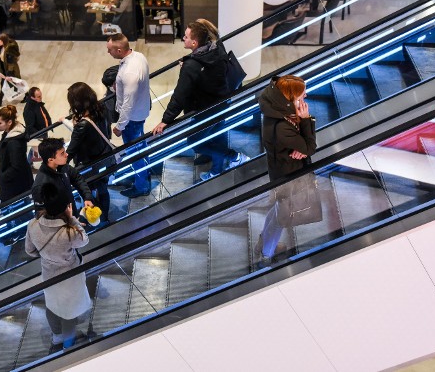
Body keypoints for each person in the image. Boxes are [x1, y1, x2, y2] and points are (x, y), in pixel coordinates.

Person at [152, 20, 248, 180]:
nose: (183, 38)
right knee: (218, 134)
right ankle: (217, 169)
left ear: (195, 42)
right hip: (223, 100)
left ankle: (235, 157)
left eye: (186, 36)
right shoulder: (217, 47)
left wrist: (165, 120)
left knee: (194, 141)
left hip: (206, 109)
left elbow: (180, 95)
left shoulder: (192, 66)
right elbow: (209, 71)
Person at [255, 75, 317, 267]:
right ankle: (265, 254)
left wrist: (302, 145)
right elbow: (310, 147)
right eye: (301, 94)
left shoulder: (276, 111)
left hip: (280, 171)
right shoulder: (282, 127)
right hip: (288, 177)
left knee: (277, 211)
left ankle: (264, 242)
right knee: (282, 217)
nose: (306, 95)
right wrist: (306, 120)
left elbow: (304, 146)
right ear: (289, 99)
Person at [25, 183, 92, 350]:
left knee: (53, 305)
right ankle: (68, 347)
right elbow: (84, 240)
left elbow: (30, 251)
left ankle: (57, 338)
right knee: (68, 314)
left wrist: (48, 255)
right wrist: (72, 219)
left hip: (49, 274)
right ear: (65, 209)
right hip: (70, 276)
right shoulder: (68, 232)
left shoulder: (33, 225)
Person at [106, 33, 151, 198]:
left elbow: (128, 104)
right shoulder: (139, 56)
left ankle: (141, 186)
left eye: (110, 50)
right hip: (141, 111)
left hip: (132, 119)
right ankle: (143, 177)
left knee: (135, 152)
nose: (108, 53)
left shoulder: (129, 73)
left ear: (119, 50)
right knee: (140, 146)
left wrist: (120, 126)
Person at [63, 82, 112, 225]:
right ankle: (104, 218)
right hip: (104, 158)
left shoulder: (82, 125)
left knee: (87, 194)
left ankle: (93, 219)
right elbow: (106, 132)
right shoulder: (101, 108)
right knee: (103, 189)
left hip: (88, 165)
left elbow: (71, 150)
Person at [0, 105, 34, 203]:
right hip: (18, 183)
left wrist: (2, 177)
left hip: (15, 186)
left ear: (9, 122)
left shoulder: (14, 143)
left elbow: (16, 167)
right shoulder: (11, 133)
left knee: (13, 209)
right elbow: (1, 145)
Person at [32, 138, 94, 218]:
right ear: (51, 160)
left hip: (73, 218)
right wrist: (68, 224)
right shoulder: (40, 185)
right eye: (62, 153)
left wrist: (87, 197)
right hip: (61, 227)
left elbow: (77, 178)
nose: (66, 154)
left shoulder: (63, 167)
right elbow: (42, 215)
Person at [0, 33, 21, 105]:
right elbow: (1, 56)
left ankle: (27, 96)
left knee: (18, 83)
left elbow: (11, 63)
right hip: (4, 68)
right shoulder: (2, 47)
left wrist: (8, 74)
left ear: (4, 40)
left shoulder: (9, 50)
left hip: (11, 70)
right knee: (3, 84)